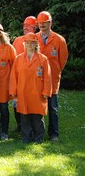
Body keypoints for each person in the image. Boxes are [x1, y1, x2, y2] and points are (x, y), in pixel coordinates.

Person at [10, 33, 52, 143]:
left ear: (36, 44)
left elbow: (47, 77)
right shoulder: (18, 59)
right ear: (24, 44)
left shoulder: (43, 59)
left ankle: (39, 137)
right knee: (24, 116)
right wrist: (13, 92)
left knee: (37, 116)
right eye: (27, 43)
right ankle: (26, 138)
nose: (29, 45)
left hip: (37, 92)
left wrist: (46, 91)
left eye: (32, 43)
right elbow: (13, 77)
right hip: (23, 92)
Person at [36, 11, 68, 142]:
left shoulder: (59, 40)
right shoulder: (34, 37)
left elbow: (63, 59)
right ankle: (39, 133)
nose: (42, 25)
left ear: (50, 23)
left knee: (53, 108)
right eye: (40, 23)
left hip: (53, 79)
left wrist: (54, 72)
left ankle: (54, 134)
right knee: (38, 107)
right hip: (37, 79)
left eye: (45, 23)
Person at [12, 15, 37, 131]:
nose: (25, 27)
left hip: (33, 78)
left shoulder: (37, 41)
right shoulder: (17, 40)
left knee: (32, 103)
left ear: (35, 27)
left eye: (29, 25)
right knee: (16, 102)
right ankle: (20, 125)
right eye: (24, 25)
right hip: (18, 76)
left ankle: (32, 127)